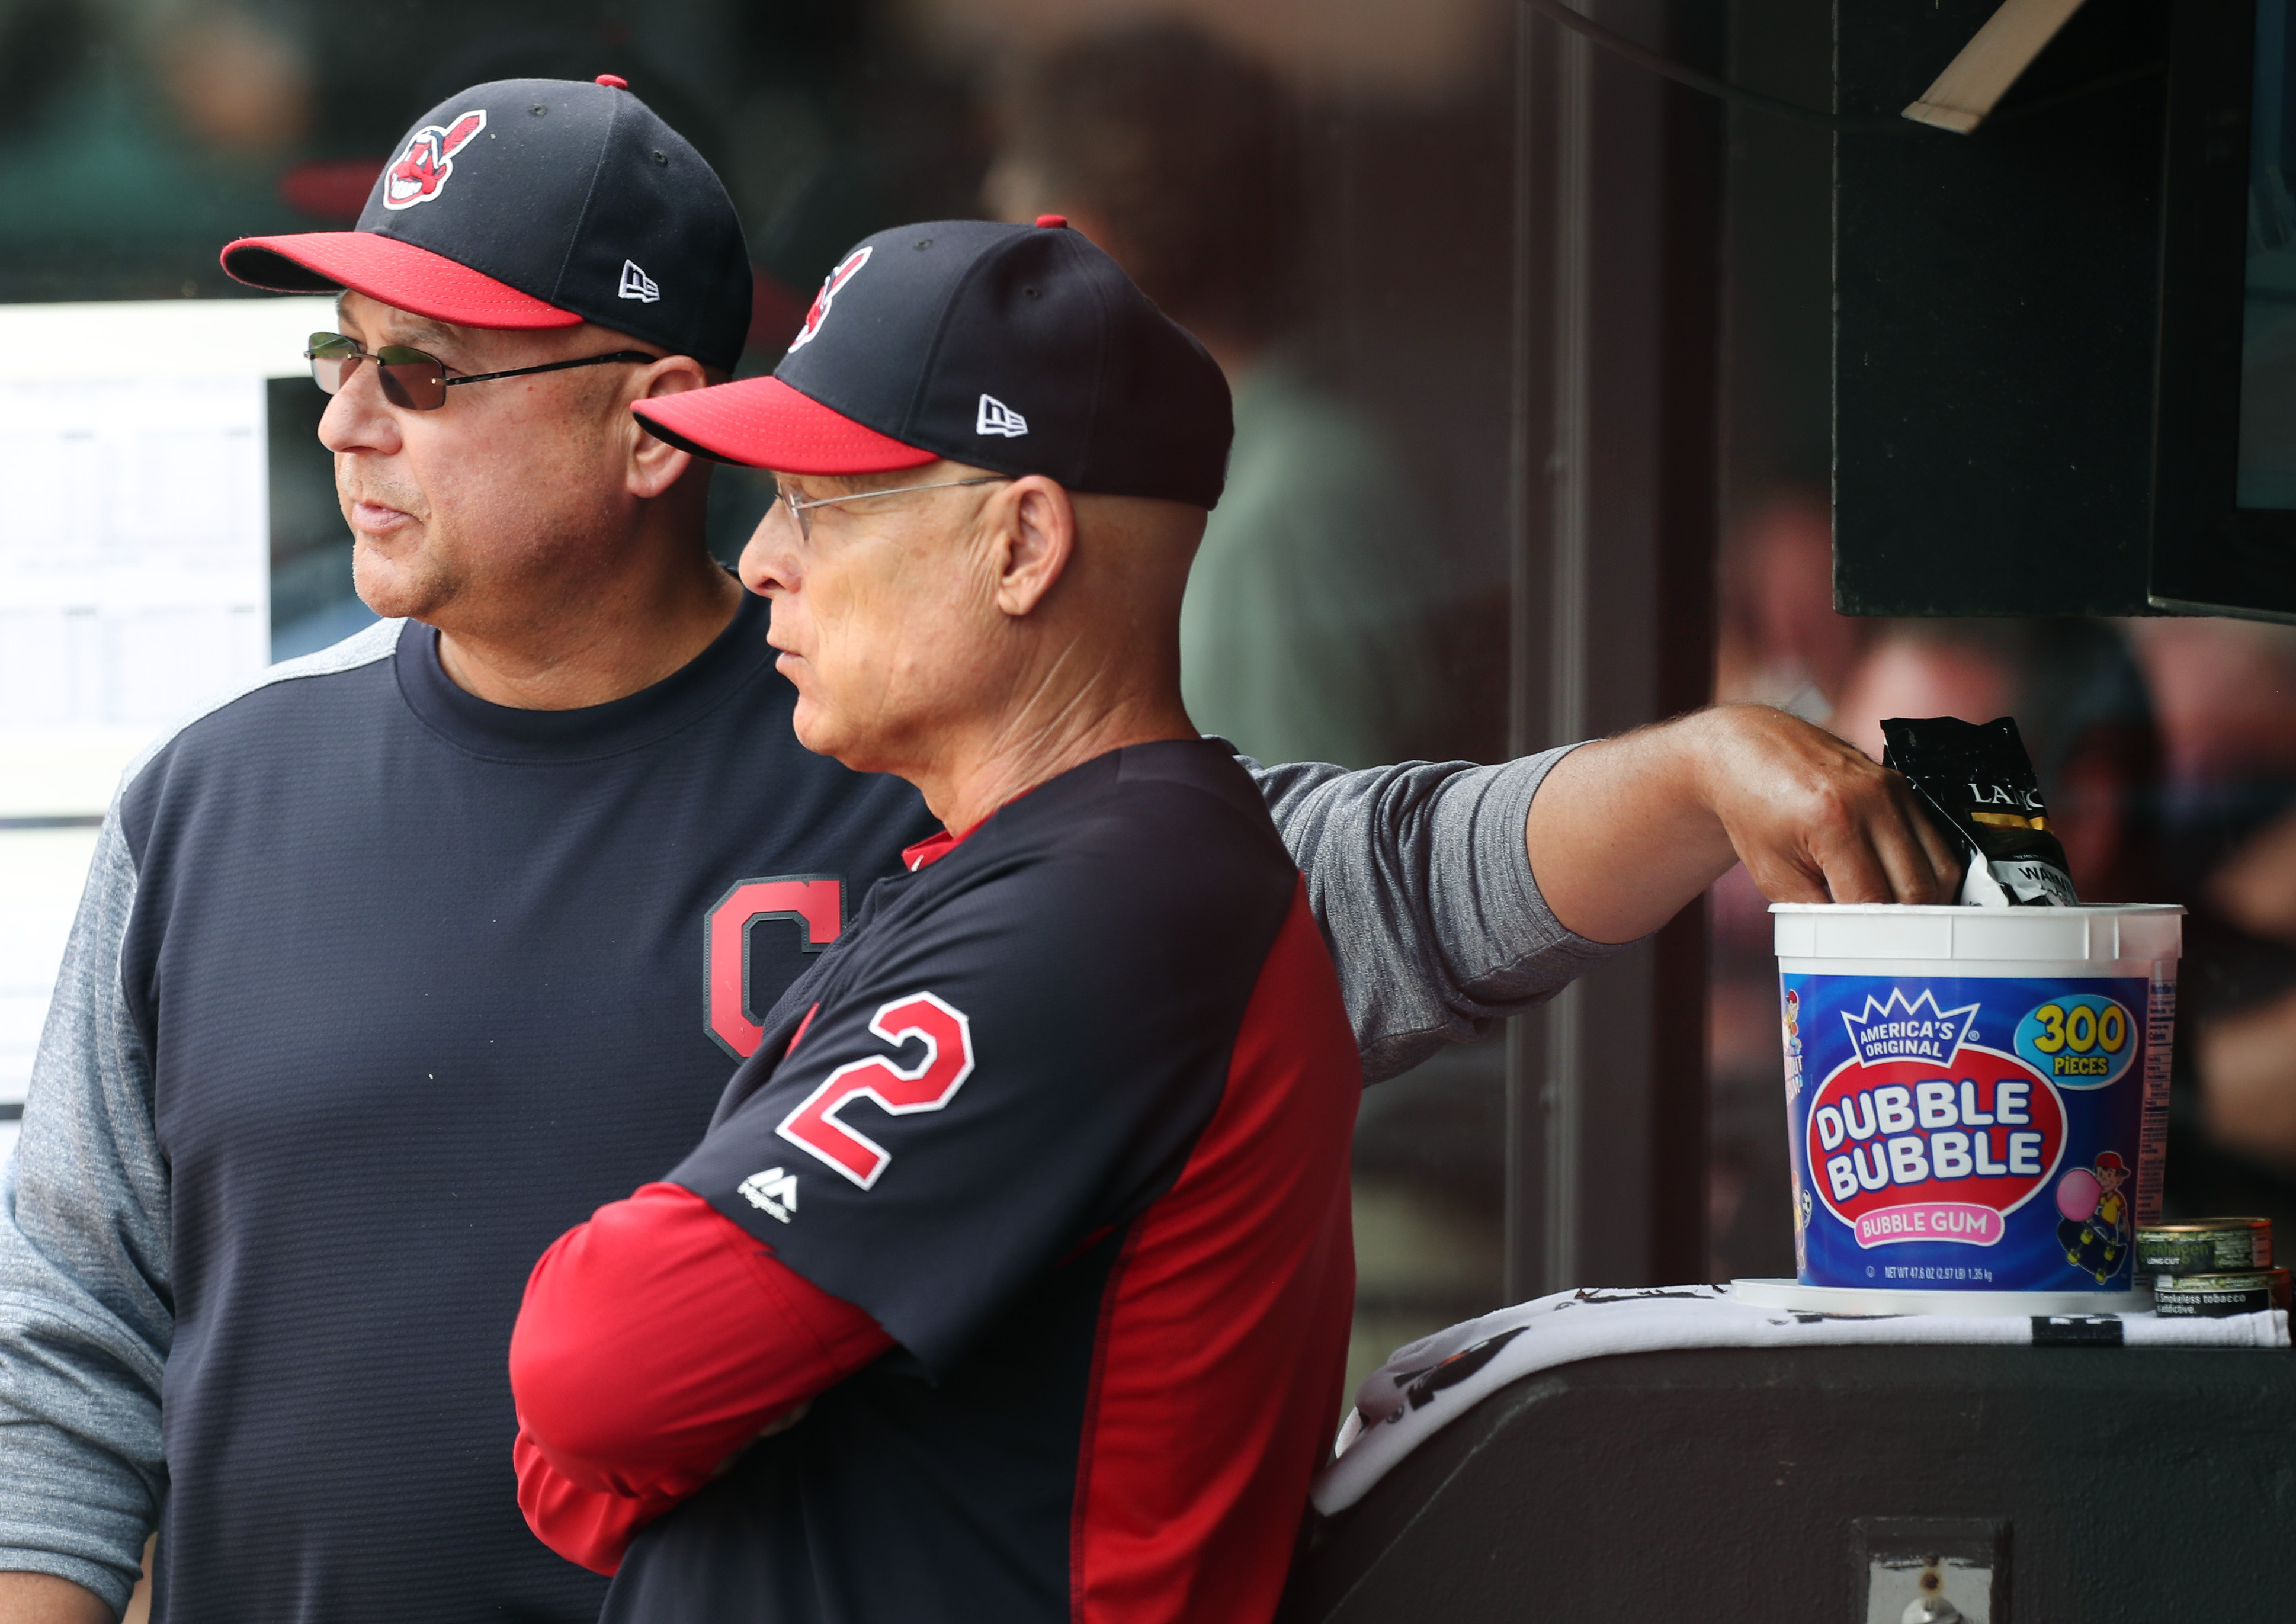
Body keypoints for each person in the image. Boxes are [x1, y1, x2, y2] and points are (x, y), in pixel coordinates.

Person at [0, 78, 1955, 1624]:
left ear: (655, 427)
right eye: (337, 360)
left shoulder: (938, 782)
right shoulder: (213, 796)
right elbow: (68, 1345)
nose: (348, 420)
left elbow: (1387, 878)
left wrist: (1699, 771)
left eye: (420, 371)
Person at [509, 216, 1362, 1622]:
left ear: (1021, 541)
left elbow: (593, 1363)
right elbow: (573, 1475)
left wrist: (707, 1407)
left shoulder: (1109, 912)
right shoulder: (1038, 872)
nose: (764, 559)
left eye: (818, 502)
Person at [985, 22, 1444, 768]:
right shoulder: (1267, 472)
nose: (999, 290)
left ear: (1086, 243)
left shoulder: (1278, 509)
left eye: (1017, 243)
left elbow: (1292, 856)